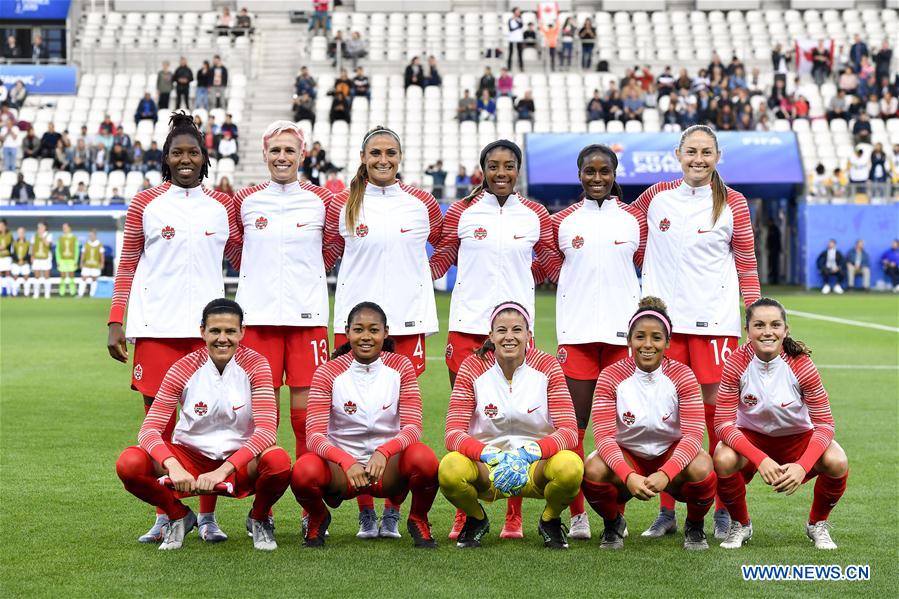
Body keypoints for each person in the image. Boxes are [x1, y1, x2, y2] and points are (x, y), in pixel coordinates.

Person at [106, 113, 242, 544]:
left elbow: (245, 259)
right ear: (166, 159)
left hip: (208, 335)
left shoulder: (223, 207)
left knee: (209, 426)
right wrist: (116, 321)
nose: (186, 159)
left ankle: (206, 516)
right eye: (177, 153)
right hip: (156, 329)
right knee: (160, 429)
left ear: (205, 159)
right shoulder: (144, 204)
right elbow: (127, 263)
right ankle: (169, 513)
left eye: (193, 152)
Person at [632, 124, 760, 539]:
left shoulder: (733, 203)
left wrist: (754, 314)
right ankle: (668, 512)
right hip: (663, 325)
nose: (698, 159)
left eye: (706, 152)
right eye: (691, 152)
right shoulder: (655, 198)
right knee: (668, 418)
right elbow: (625, 239)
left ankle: (723, 507)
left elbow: (746, 263)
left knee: (715, 418)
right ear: (678, 154)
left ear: (717, 156)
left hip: (713, 325)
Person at [430, 140, 562, 540]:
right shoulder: (462, 212)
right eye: (493, 165)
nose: (501, 172)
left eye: (508, 166)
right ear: (482, 169)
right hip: (469, 324)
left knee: (519, 415)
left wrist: (523, 283)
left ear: (518, 170)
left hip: (516, 328)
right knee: (472, 417)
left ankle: (514, 513)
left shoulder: (536, 213)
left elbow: (551, 263)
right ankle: (468, 507)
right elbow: (440, 260)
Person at [323, 126, 442, 537]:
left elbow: (443, 248)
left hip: (407, 322)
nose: (383, 159)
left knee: (392, 413)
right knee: (352, 410)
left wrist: (421, 281)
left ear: (400, 156)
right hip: (355, 325)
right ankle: (365, 510)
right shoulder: (343, 204)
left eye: (391, 152)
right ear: (363, 156)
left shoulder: (422, 202)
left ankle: (393, 508)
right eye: (375, 152)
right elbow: (325, 254)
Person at [115, 298, 291, 551]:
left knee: (278, 461)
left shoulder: (257, 365)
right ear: (202, 332)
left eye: (230, 331)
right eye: (215, 331)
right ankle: (178, 515)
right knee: (129, 463)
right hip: (189, 459)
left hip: (238, 462)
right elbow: (149, 430)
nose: (223, 338)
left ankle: (259, 518)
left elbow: (265, 431)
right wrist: (173, 466)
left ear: (242, 332)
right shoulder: (183, 367)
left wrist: (224, 470)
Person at [547, 145, 648, 540]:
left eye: (604, 171)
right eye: (589, 171)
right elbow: (550, 269)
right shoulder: (563, 222)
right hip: (577, 336)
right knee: (574, 428)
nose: (597, 178)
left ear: (614, 173)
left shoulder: (634, 220)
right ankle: (577, 515)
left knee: (621, 429)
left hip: (623, 339)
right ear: (579, 174)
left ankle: (613, 515)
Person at [290, 301, 439, 548]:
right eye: (359, 330)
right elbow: (314, 435)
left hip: (387, 468)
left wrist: (385, 451)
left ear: (386, 332)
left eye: (373, 330)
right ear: (347, 332)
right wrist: (345, 461)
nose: (366, 337)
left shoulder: (401, 367)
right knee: (303, 471)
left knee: (424, 459)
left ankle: (418, 518)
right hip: (343, 472)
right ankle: (318, 517)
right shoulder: (328, 372)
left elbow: (413, 427)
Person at [232, 120, 335, 465]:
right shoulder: (245, 200)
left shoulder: (322, 200)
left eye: (289, 150)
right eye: (275, 150)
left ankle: (309, 507)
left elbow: (332, 250)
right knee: (263, 418)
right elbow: (235, 250)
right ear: (264, 154)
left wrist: (306, 278)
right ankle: (265, 510)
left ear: (302, 154)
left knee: (307, 419)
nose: (282, 156)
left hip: (307, 319)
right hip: (257, 320)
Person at [439, 301, 581, 549]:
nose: (509, 337)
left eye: (517, 330)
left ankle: (549, 519)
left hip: (536, 466)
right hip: (487, 467)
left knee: (571, 466)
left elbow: (569, 431)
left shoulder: (548, 366)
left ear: (529, 335)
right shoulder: (471, 367)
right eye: (501, 330)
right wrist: (486, 453)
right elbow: (453, 433)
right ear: (491, 335)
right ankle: (476, 518)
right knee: (449, 469)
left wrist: (531, 453)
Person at [582, 297, 715, 550]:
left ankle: (695, 527)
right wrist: (627, 475)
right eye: (640, 337)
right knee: (592, 467)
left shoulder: (683, 375)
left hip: (670, 458)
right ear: (629, 341)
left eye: (656, 337)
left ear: (667, 342)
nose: (647, 344)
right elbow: (603, 437)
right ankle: (613, 524)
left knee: (702, 465)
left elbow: (693, 436)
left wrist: (667, 472)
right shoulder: (611, 376)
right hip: (629, 458)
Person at [715, 298, 848, 550]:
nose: (767, 332)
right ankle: (740, 524)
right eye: (759, 325)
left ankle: (817, 524)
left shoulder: (801, 365)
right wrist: (759, 458)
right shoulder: (735, 363)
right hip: (751, 438)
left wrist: (802, 466)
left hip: (797, 439)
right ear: (747, 332)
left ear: (785, 330)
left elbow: (825, 425)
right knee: (722, 457)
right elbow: (723, 424)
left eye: (775, 325)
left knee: (837, 460)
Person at [55, 223, 79, 296]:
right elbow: (57, 250)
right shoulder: (60, 238)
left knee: (71, 276)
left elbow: (76, 250)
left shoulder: (74, 238)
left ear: (69, 228)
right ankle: (61, 292)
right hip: (62, 260)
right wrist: (58, 260)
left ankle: (73, 292)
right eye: (63, 228)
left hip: (71, 260)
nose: (64, 229)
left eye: (65, 227)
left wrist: (75, 260)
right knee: (62, 276)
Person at [79, 228, 105, 297]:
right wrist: (81, 262)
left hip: (96, 265)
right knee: (84, 278)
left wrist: (102, 263)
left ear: (95, 235)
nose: (91, 237)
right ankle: (80, 294)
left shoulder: (99, 244)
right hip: (87, 265)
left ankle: (92, 294)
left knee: (94, 279)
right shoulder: (86, 244)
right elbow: (83, 254)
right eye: (90, 235)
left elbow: (102, 255)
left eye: (92, 235)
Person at [30, 221, 52, 299]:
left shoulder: (49, 235)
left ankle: (47, 294)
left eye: (41, 227)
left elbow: (47, 245)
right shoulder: (34, 236)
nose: (40, 228)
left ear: (45, 227)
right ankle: (36, 293)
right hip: (37, 258)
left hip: (46, 258)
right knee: (36, 276)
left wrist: (42, 237)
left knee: (46, 276)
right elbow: (32, 247)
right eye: (39, 227)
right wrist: (32, 256)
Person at [11, 226, 31, 296]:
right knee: (15, 276)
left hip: (25, 263)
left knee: (26, 277)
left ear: (24, 233)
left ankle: (26, 293)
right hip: (16, 262)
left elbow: (29, 253)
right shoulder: (14, 243)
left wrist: (23, 260)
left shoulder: (28, 243)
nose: (21, 234)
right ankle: (14, 292)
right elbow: (13, 253)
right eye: (19, 232)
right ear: (17, 233)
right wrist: (18, 260)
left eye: (22, 232)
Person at [0, 219, 11, 296]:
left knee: (7, 273)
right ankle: (1, 291)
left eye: (1, 225)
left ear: (5, 226)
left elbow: (3, 246)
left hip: (7, 257)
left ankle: (8, 291)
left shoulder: (9, 235)